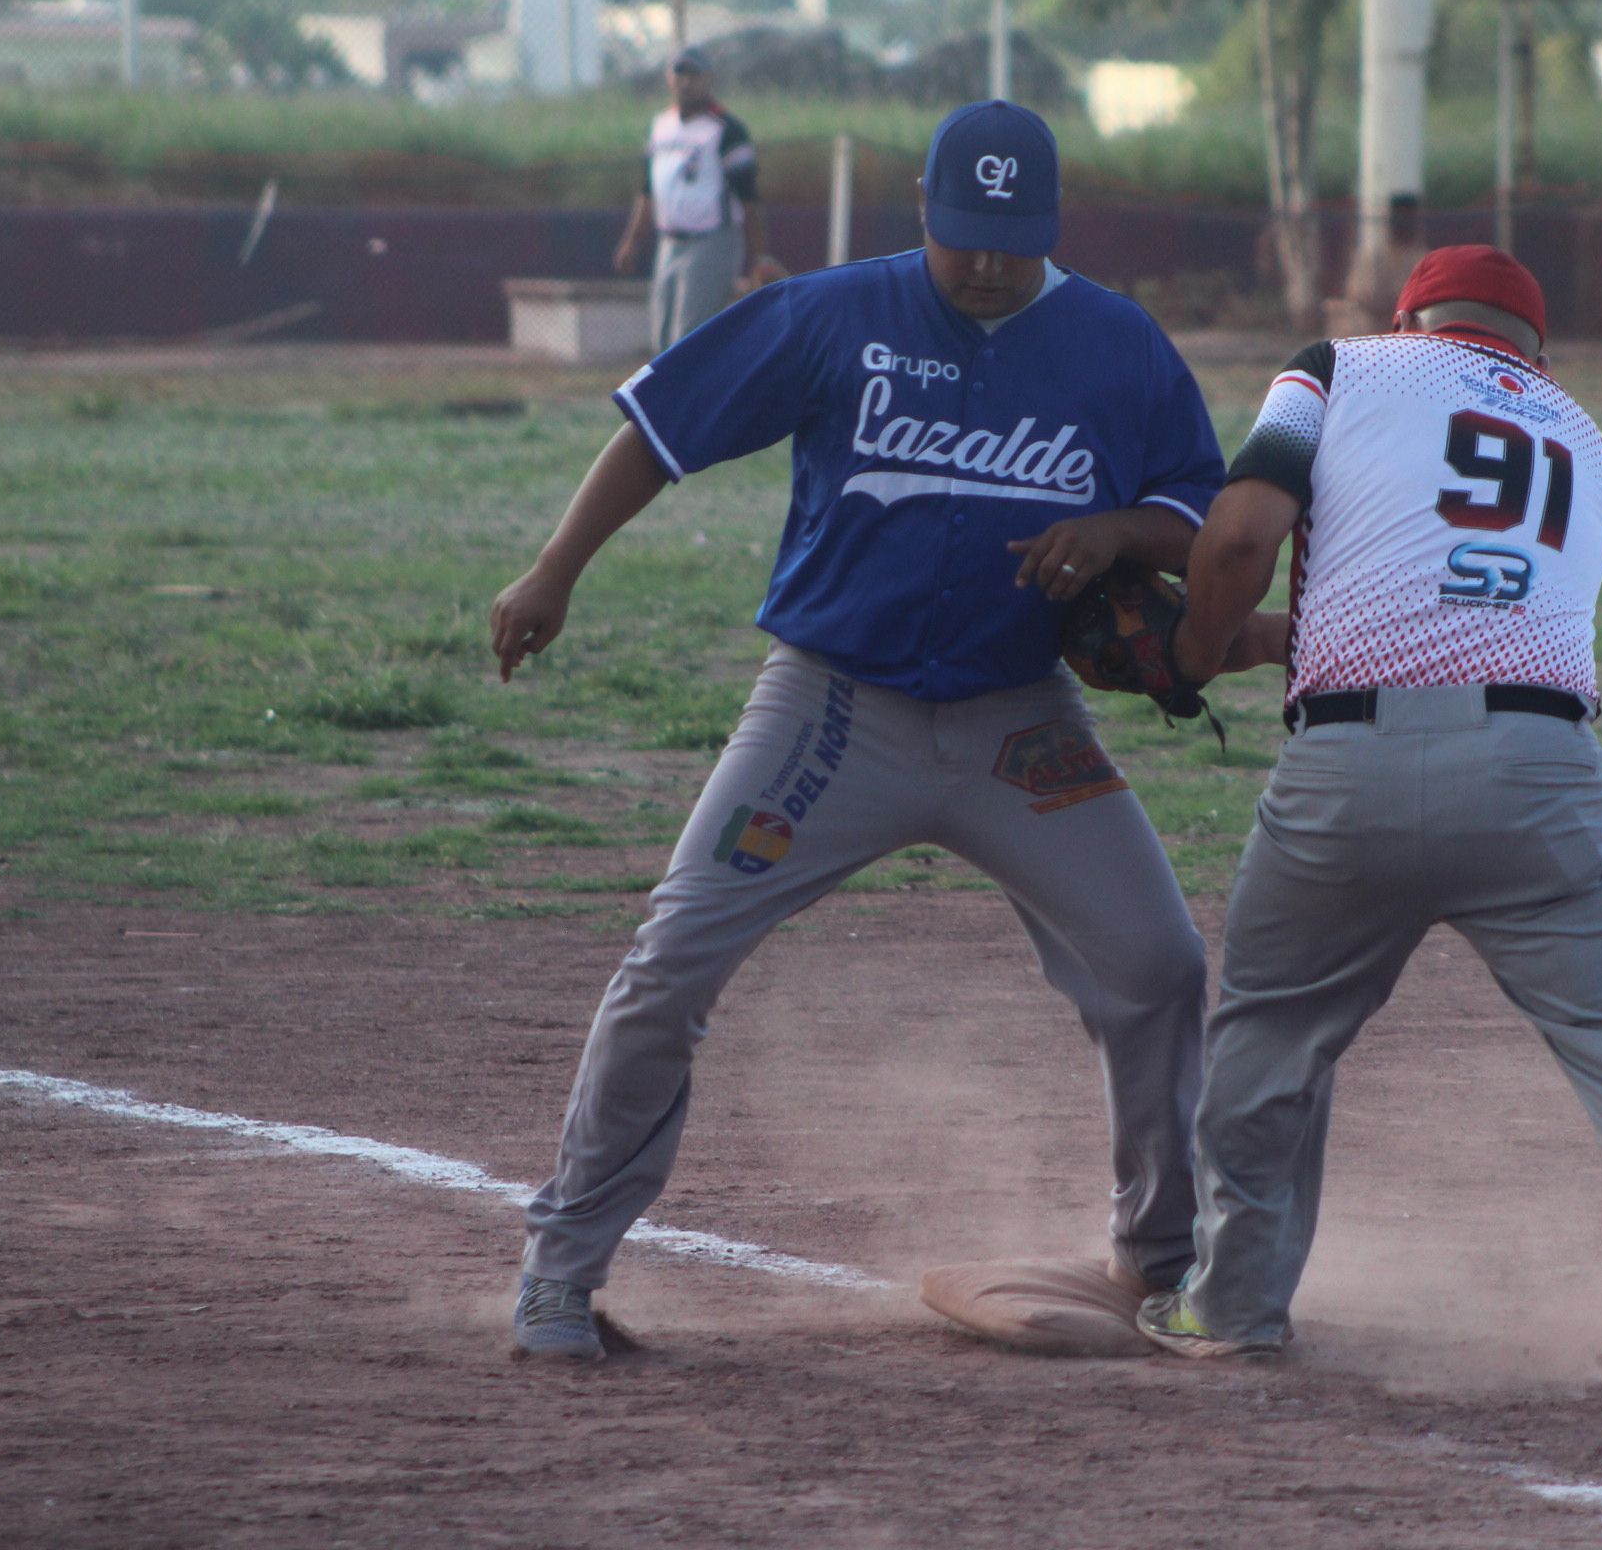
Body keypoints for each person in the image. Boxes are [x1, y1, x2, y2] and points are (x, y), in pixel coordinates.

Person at [491, 100, 1226, 1361]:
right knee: (670, 969)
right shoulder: (837, 312)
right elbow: (661, 432)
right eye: (964, 236)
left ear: (1050, 227)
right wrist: (554, 571)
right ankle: (561, 1271)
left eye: (1013, 238)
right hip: (830, 713)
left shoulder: (1117, 343)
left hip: (1018, 727)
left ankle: (1159, 1263)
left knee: (1158, 967)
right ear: (924, 216)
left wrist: (1120, 532)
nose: (987, 262)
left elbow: (1201, 513)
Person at [1140, 245, 1602, 1413]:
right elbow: (1461, 596)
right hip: (1540, 773)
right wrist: (1276, 636)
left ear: (1409, 319)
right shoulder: (1585, 436)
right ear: (1535, 351)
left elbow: (1237, 542)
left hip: (1346, 772)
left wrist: (1192, 651)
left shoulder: (1339, 366)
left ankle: (1228, 1307)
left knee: (1269, 1043)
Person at [613, 48, 789, 350]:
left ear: (709, 79)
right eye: (679, 74)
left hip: (711, 240)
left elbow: (748, 198)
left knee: (689, 336)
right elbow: (648, 190)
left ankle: (691, 397)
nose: (686, 82)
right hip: (670, 241)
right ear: (669, 78)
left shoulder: (726, 129)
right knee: (662, 336)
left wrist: (759, 256)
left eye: (693, 75)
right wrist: (632, 241)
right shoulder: (660, 126)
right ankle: (670, 398)